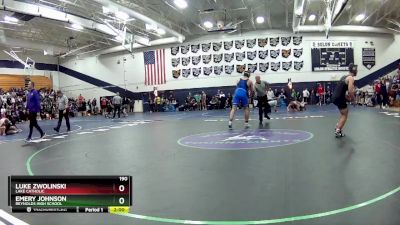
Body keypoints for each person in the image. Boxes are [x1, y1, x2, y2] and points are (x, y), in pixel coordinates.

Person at [332, 64, 357, 138]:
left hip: (335, 97)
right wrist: (353, 100)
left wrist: (347, 98)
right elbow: (350, 91)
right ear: (354, 70)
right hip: (339, 98)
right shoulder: (351, 78)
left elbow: (341, 90)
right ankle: (338, 131)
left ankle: (338, 126)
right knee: (345, 114)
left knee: (343, 113)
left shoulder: (343, 76)